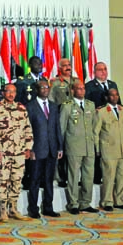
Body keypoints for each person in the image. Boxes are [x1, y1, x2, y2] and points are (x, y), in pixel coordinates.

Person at [0, 83, 33, 221]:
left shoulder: (21, 108)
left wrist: (28, 147)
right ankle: (2, 210)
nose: (11, 94)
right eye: (8, 91)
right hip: (3, 153)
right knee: (2, 181)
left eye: (13, 92)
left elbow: (28, 129)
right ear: (3, 93)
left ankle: (13, 208)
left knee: (17, 181)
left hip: (19, 152)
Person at [59, 80, 98, 215]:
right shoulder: (67, 106)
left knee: (88, 176)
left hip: (89, 146)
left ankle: (85, 203)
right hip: (74, 146)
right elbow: (62, 128)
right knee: (74, 176)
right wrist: (61, 147)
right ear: (73, 91)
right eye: (79, 89)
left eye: (83, 88)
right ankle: (73, 203)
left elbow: (94, 126)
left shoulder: (90, 105)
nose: (82, 91)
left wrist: (94, 144)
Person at [25, 81, 63, 218]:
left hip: (52, 149)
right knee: (34, 180)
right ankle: (33, 209)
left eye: (47, 87)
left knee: (48, 180)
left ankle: (48, 207)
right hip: (37, 150)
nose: (46, 90)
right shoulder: (30, 107)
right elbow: (27, 130)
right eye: (42, 87)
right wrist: (30, 149)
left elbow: (57, 128)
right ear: (36, 90)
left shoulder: (53, 106)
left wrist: (60, 147)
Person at [93, 88, 123, 211]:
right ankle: (107, 202)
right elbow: (96, 132)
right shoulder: (102, 112)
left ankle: (120, 201)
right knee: (108, 177)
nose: (115, 97)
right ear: (107, 97)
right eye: (112, 95)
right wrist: (97, 149)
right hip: (108, 150)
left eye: (116, 95)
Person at [84, 61, 119, 185]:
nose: (103, 72)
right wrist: (95, 111)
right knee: (98, 150)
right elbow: (86, 105)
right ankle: (97, 176)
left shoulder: (112, 84)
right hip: (97, 122)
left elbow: (117, 102)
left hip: (111, 123)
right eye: (100, 69)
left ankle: (111, 175)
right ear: (94, 72)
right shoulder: (89, 86)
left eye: (105, 69)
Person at [51, 57, 77, 188]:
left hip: (76, 119)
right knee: (62, 146)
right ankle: (61, 176)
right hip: (61, 118)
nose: (68, 67)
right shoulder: (55, 83)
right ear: (59, 68)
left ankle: (73, 176)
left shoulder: (76, 81)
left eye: (69, 65)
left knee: (74, 149)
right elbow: (51, 101)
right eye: (65, 65)